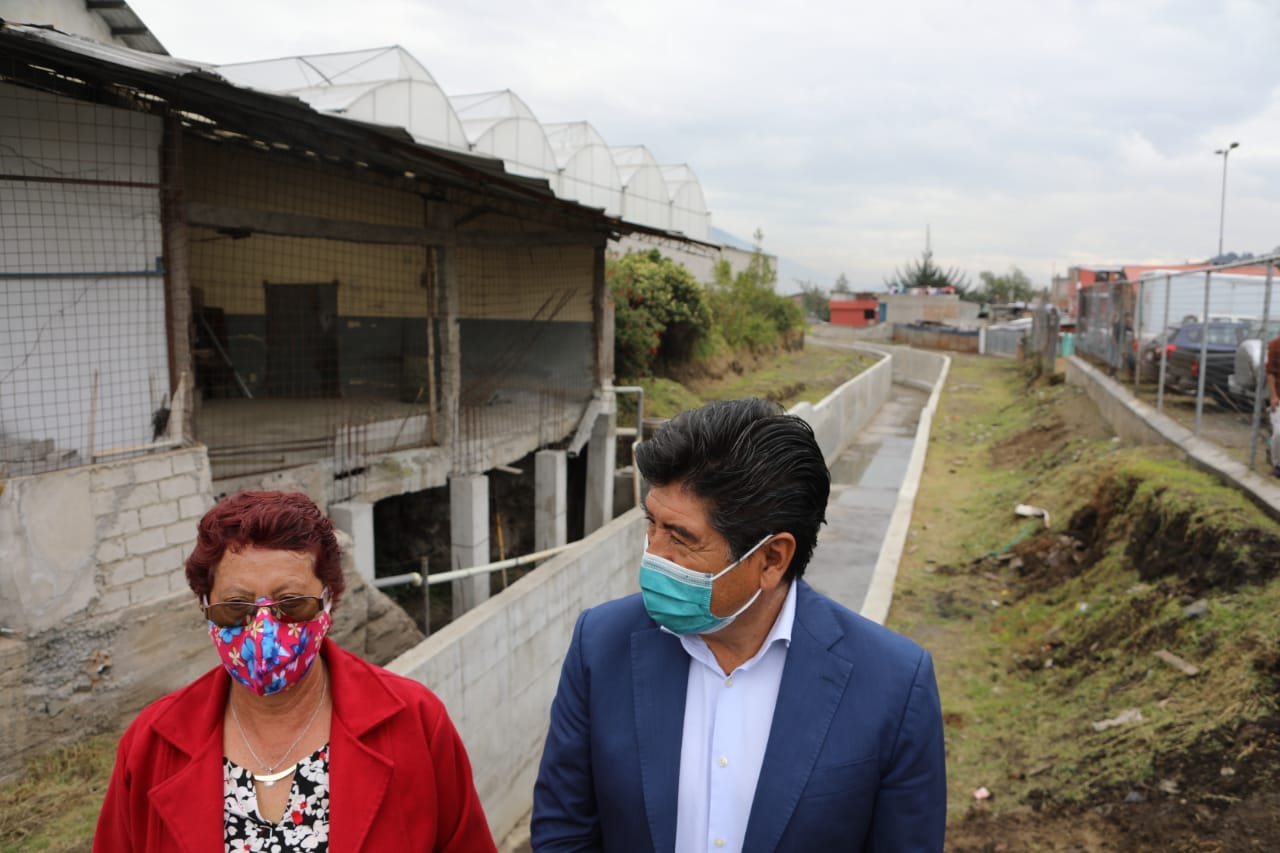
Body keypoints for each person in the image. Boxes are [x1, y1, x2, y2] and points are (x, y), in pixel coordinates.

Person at [532, 399, 946, 852]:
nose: (654, 555)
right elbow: (563, 834)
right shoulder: (599, 646)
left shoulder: (894, 686)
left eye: (681, 538)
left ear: (771, 559)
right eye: (652, 524)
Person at [94, 490, 497, 852]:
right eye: (235, 608)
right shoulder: (149, 747)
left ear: (328, 602)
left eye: (291, 605)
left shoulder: (416, 723)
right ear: (206, 608)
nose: (263, 634)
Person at [1267, 334, 1280, 475]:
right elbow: (1270, 373)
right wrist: (1273, 396)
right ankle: (1277, 465)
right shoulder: (1275, 345)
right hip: (1279, 398)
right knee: (1278, 433)